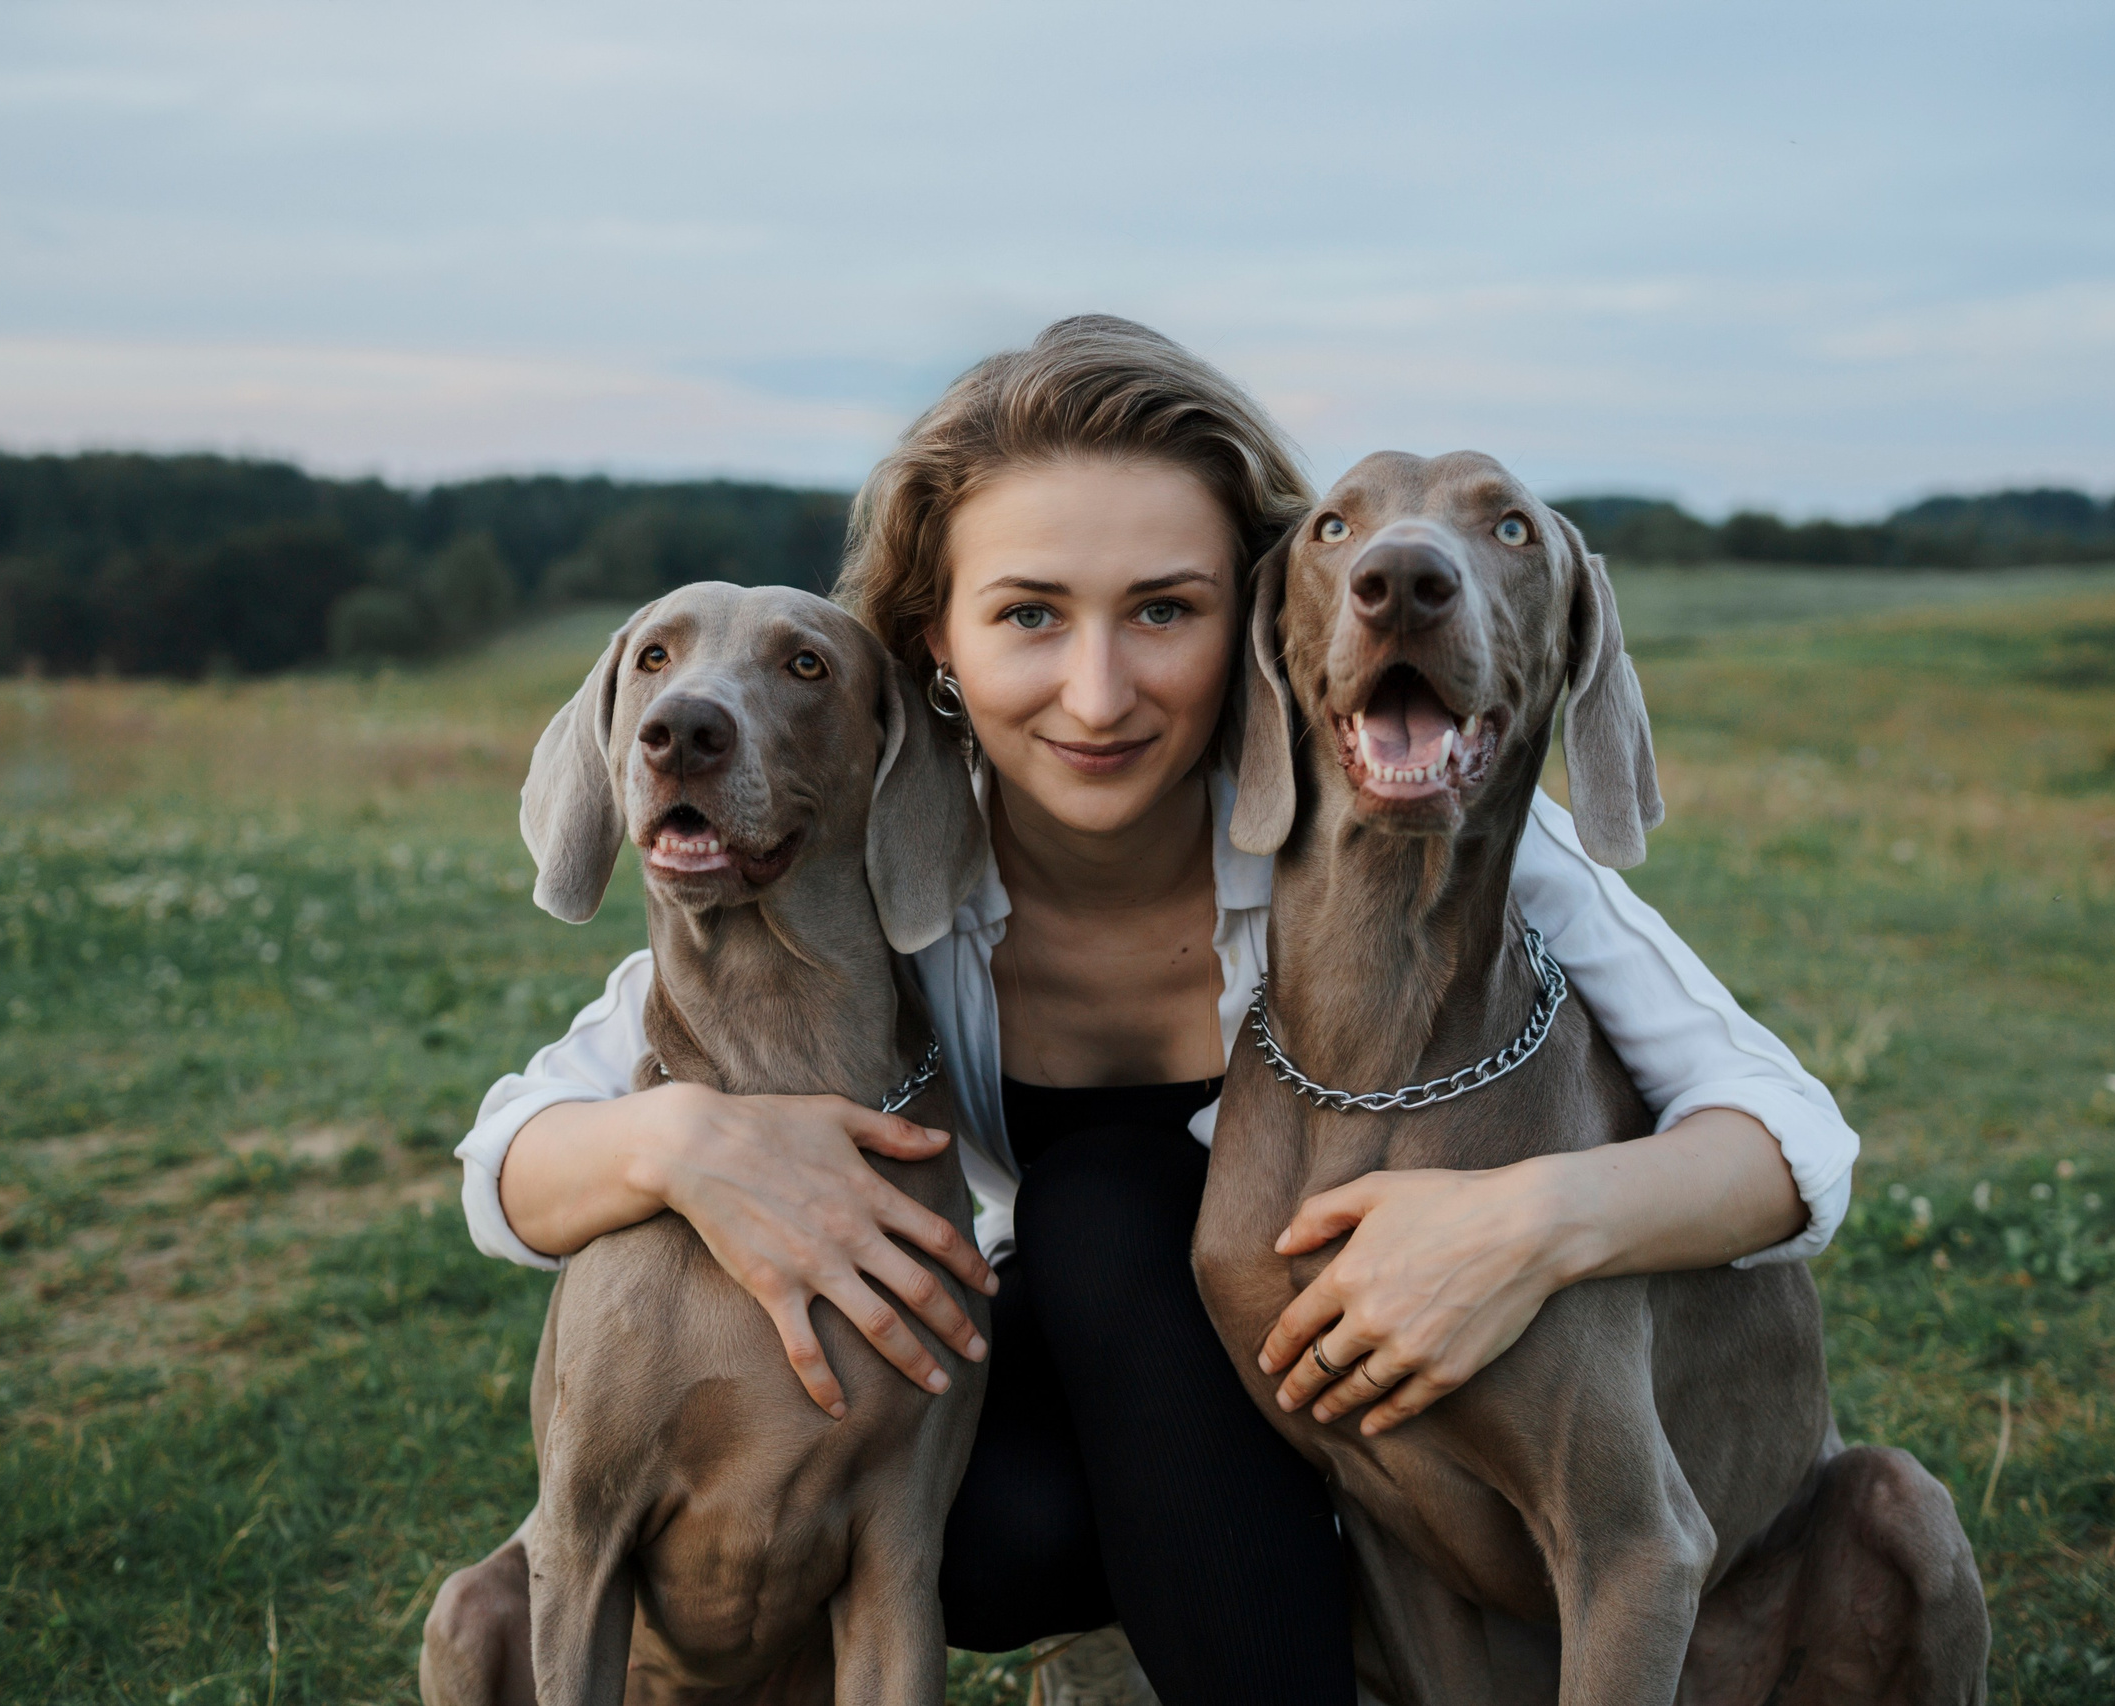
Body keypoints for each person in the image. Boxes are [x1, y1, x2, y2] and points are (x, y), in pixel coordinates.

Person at [456, 316, 1859, 1706]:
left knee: (1119, 1201)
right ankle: (1160, 1615)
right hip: (1042, 1428)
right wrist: (678, 1144)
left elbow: (1795, 1137)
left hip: (1287, 1389)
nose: (1098, 689)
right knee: (1075, 1286)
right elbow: (509, 1155)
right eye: (1028, 615)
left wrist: (1535, 1223)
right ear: (932, 638)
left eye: (1163, 610)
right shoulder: (876, 853)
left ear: (1257, 626)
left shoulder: (1395, 813)